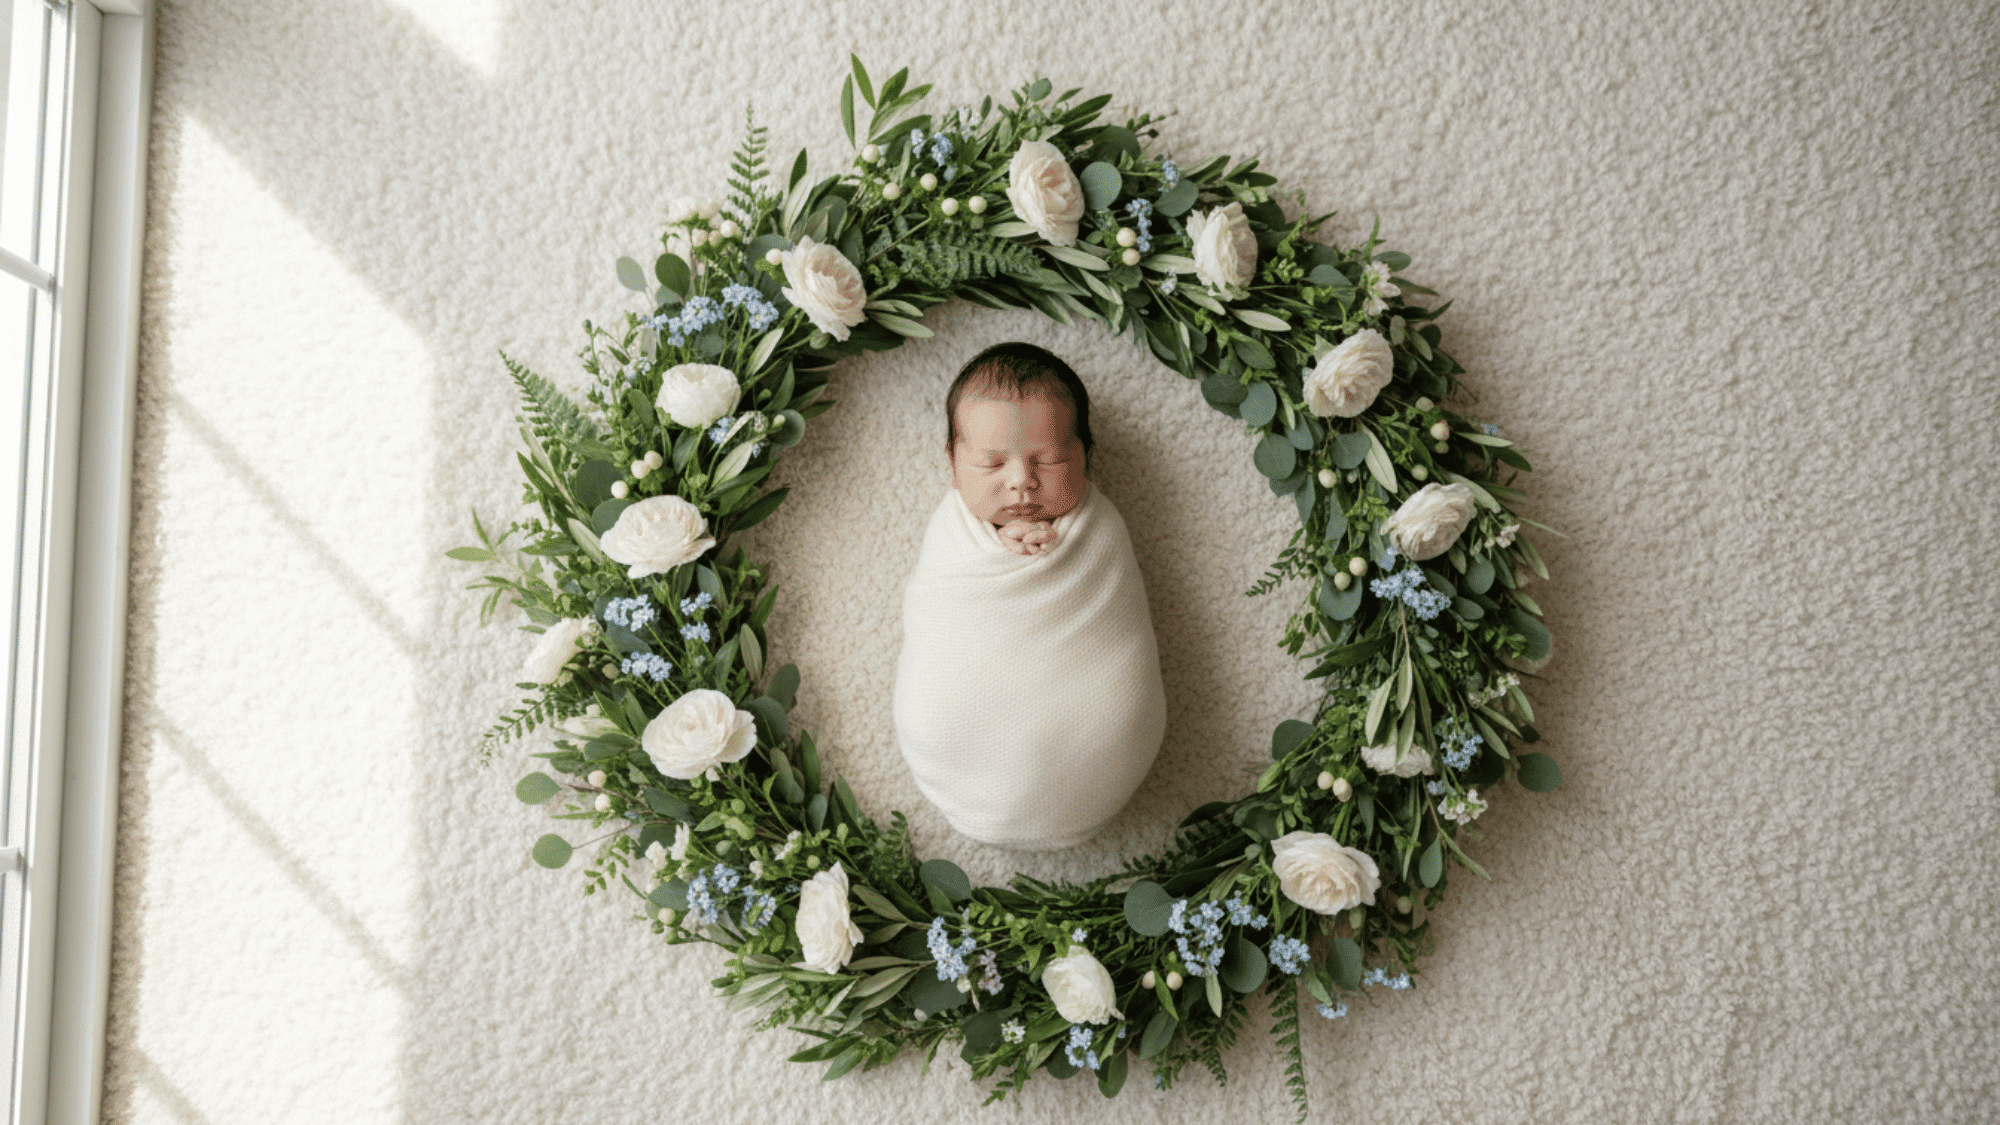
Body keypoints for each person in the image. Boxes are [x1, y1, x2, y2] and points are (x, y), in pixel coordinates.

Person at [892, 343, 1167, 850]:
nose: (1021, 481)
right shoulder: (951, 533)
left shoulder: (1102, 528)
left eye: (1051, 459)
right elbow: (938, 601)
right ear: (953, 464)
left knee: (1114, 707)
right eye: (992, 464)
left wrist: (1048, 550)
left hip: (1094, 743)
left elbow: (1116, 618)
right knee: (933, 713)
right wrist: (996, 547)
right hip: (961, 736)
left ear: (1087, 456)